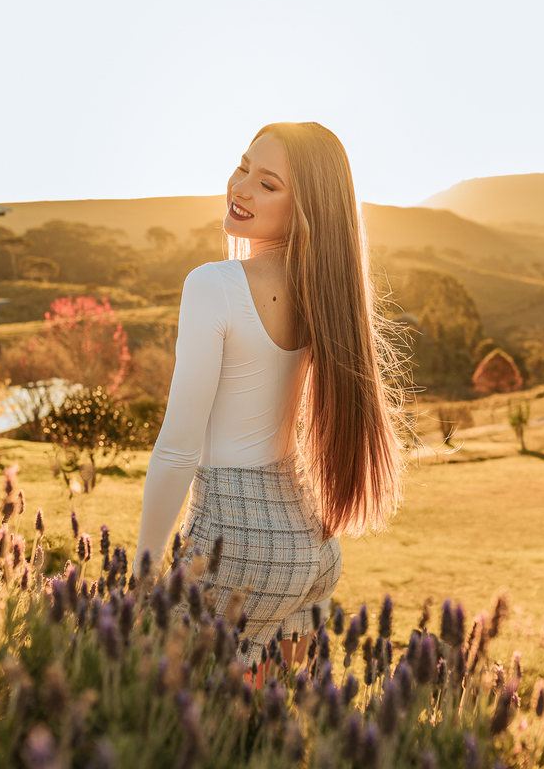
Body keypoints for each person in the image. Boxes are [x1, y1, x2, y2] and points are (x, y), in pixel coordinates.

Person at [133, 121, 410, 686]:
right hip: (311, 543)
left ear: (304, 207)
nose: (241, 189)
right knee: (260, 727)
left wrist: (139, 574)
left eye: (268, 184)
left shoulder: (214, 285)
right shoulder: (329, 290)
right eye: (242, 168)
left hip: (233, 540)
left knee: (175, 721)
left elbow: (178, 449)